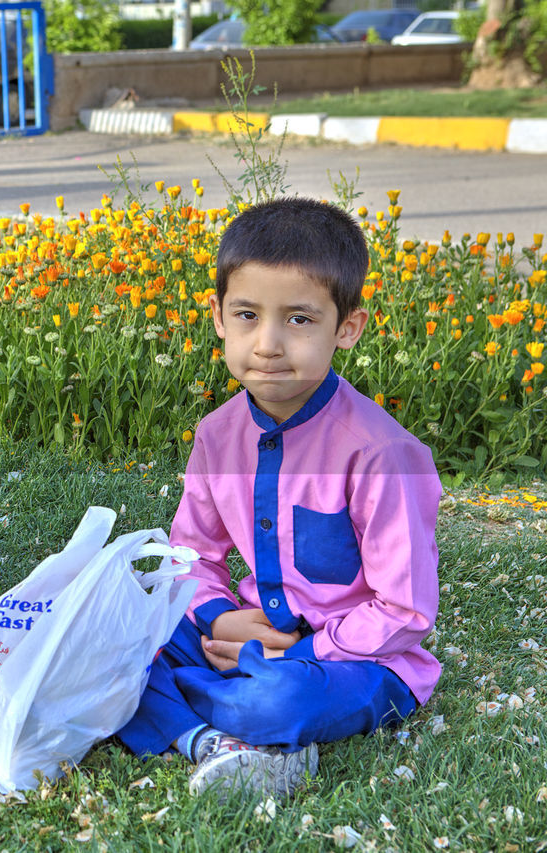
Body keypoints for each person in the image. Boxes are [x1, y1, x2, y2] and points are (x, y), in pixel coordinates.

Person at [116, 197, 442, 799]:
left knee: (276, 696)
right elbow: (193, 557)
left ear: (347, 327)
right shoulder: (219, 436)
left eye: (298, 319)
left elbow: (406, 610)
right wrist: (218, 617)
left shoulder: (380, 454)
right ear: (217, 316)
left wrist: (299, 651)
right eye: (246, 315)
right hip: (247, 629)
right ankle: (212, 741)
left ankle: (214, 717)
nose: (267, 343)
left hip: (356, 660)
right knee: (119, 643)